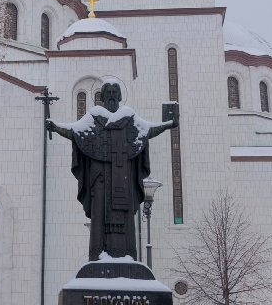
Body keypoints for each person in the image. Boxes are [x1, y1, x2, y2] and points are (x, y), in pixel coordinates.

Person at [45, 79, 179, 261]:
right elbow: (75, 132)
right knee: (99, 216)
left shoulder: (130, 120)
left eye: (114, 94)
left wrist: (169, 124)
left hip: (124, 180)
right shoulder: (93, 118)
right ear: (102, 97)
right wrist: (55, 126)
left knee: (126, 218)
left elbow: (148, 130)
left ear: (120, 96)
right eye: (107, 94)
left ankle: (127, 256)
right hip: (99, 180)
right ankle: (98, 255)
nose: (111, 97)